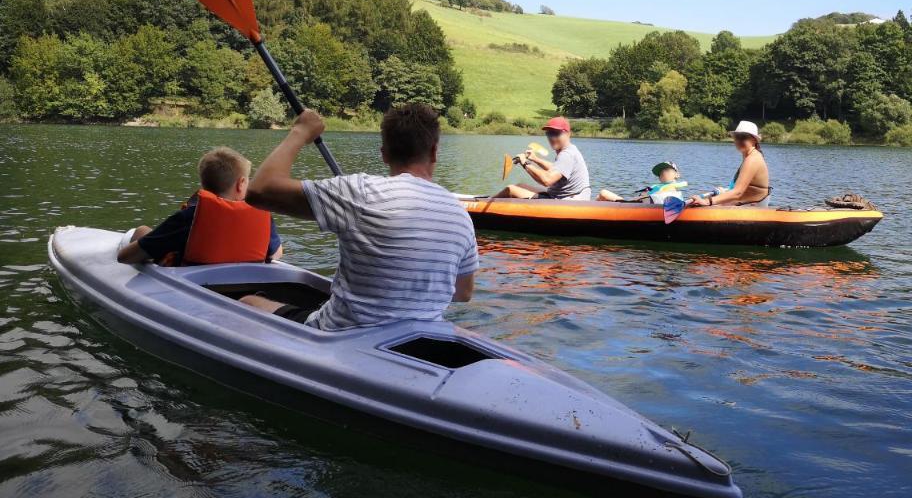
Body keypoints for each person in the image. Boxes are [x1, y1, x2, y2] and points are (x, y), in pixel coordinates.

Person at [239, 104, 477, 329]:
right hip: (417, 339)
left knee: (248, 302)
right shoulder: (460, 215)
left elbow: (259, 191)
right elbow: (463, 293)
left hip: (339, 334)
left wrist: (301, 132)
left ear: (384, 154)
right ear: (434, 151)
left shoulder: (358, 192)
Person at [117, 147, 283, 265]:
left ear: (204, 182)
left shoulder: (189, 217)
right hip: (243, 284)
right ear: (241, 184)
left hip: (194, 282)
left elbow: (123, 257)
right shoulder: (262, 215)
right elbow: (276, 253)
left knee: (141, 231)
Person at [494, 116, 591, 200]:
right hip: (560, 196)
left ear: (568, 134)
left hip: (565, 201)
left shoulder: (567, 155)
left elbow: (547, 180)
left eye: (556, 133)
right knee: (520, 186)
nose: (552, 137)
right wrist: (535, 159)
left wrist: (525, 163)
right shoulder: (571, 149)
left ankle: (481, 207)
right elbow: (556, 168)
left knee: (511, 189)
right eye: (549, 134)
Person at [687, 120, 770, 208]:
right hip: (745, 201)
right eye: (737, 137)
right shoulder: (751, 156)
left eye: (743, 137)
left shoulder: (752, 159)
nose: (739, 140)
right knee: (705, 201)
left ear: (754, 140)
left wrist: (707, 202)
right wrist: (724, 193)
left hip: (753, 205)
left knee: (703, 205)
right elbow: (740, 190)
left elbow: (738, 192)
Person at [598, 161, 689, 203]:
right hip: (633, 205)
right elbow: (642, 196)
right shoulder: (655, 187)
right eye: (660, 172)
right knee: (601, 195)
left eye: (667, 170)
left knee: (603, 193)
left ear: (677, 175)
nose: (663, 173)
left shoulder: (673, 189)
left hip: (641, 207)